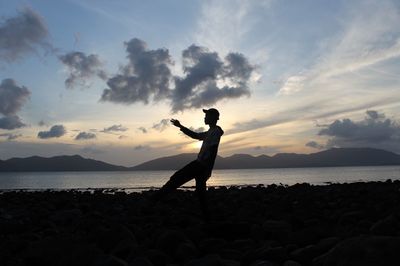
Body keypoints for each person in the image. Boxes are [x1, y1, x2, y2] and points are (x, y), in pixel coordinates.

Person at [154, 108, 224, 217]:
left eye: (207, 116)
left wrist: (208, 168)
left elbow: (213, 150)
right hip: (202, 165)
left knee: (177, 178)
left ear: (213, 118)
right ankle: (207, 216)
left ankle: (153, 201)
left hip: (201, 165)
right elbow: (195, 135)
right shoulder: (210, 132)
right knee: (200, 192)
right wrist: (180, 126)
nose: (205, 118)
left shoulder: (216, 132)